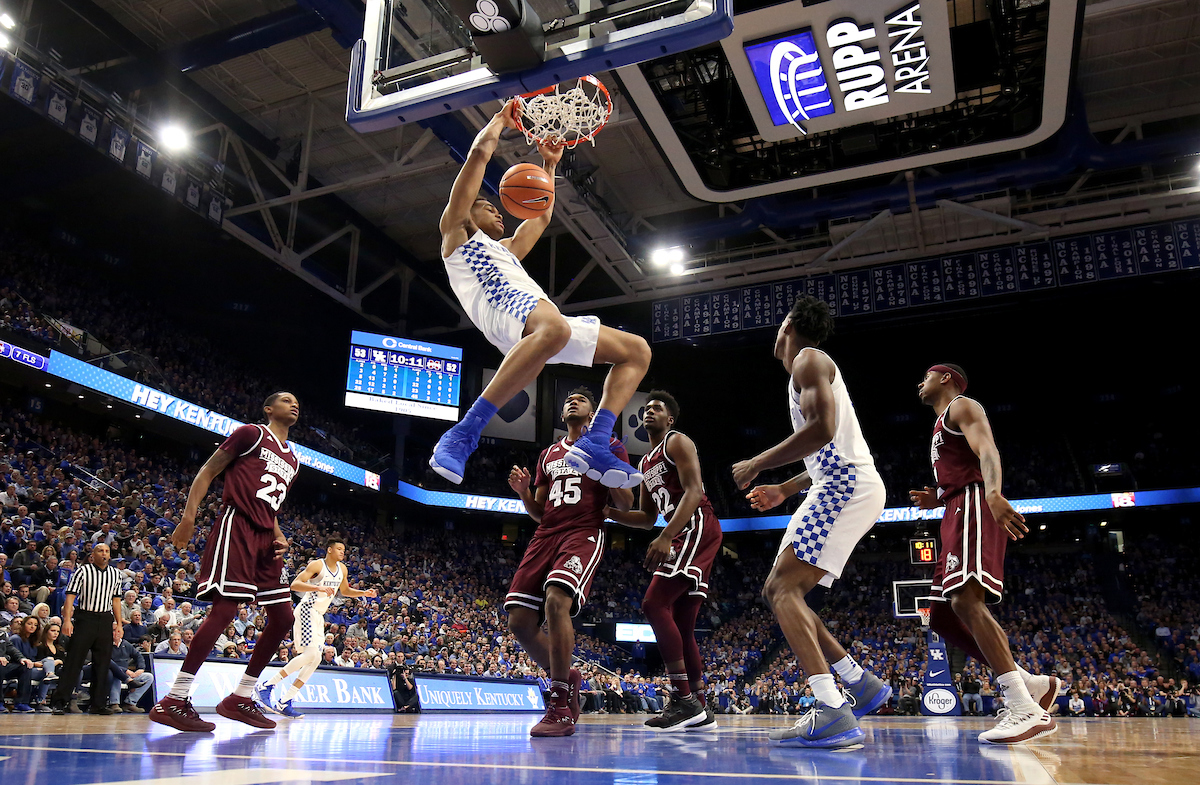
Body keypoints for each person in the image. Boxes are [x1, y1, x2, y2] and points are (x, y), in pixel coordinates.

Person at [429, 99, 650, 491]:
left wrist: (549, 165)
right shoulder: (458, 233)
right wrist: (499, 120)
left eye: (498, 209)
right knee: (553, 327)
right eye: (488, 206)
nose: (498, 212)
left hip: (539, 323)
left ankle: (596, 440)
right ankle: (463, 433)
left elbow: (542, 216)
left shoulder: (507, 250)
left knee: (636, 351)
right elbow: (479, 155)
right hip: (506, 312)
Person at [734, 295, 892, 748]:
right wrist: (785, 489)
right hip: (839, 481)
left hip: (845, 486)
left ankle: (831, 708)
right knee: (784, 592)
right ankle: (857, 682)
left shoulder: (808, 360)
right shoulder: (808, 367)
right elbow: (829, 448)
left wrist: (759, 464)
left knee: (781, 589)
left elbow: (822, 429)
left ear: (787, 325)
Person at [910, 363, 1057, 744]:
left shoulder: (962, 405)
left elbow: (987, 449)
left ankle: (1023, 706)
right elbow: (960, 463)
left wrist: (993, 493)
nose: (919, 381)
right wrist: (938, 494)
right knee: (942, 615)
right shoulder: (940, 422)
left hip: (973, 503)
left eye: (926, 374)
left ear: (946, 378)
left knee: (965, 600)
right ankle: (1028, 681)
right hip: (953, 505)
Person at [150, 393, 302, 732]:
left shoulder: (293, 459)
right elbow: (208, 471)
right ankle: (174, 699)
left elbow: (270, 505)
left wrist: (278, 534)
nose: (294, 405)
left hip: (266, 538)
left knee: (283, 617)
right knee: (225, 611)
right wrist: (188, 518)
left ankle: (241, 697)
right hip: (237, 526)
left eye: (297, 402)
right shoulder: (251, 433)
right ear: (268, 408)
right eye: (287, 400)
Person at [505, 388, 634, 736]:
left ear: (594, 412)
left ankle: (559, 703)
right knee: (518, 620)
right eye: (567, 400)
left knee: (556, 600)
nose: (571, 401)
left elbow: (625, 501)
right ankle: (568, 676)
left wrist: (604, 464)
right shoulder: (548, 454)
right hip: (546, 534)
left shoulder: (610, 443)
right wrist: (523, 493)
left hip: (583, 532)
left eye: (580, 399)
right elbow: (538, 512)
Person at [605, 390, 723, 732]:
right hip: (681, 529)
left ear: (670, 419)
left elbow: (694, 491)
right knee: (683, 624)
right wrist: (609, 512)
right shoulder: (644, 462)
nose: (649, 411)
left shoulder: (676, 441)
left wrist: (667, 535)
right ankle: (700, 707)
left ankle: (681, 698)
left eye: (657, 408)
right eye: (646, 408)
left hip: (695, 524)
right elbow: (645, 518)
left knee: (654, 604)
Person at [257, 536, 377, 718]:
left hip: (318, 615)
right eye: (339, 549)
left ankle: (285, 701)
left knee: (315, 660)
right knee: (312, 654)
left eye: (344, 550)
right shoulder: (317, 565)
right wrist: (318, 588)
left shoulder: (342, 569)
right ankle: (267, 685)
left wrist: (363, 593)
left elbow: (344, 591)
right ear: (329, 550)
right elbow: (295, 584)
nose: (342, 552)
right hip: (307, 609)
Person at [47, 542, 123, 715]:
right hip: (85, 617)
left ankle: (98, 704)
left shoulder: (115, 574)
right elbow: (70, 596)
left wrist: (118, 624)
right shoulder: (83, 570)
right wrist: (67, 620)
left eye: (106, 551)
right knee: (74, 661)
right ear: (92, 555)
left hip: (105, 619)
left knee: (102, 663)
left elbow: (116, 601)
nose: (104, 554)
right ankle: (60, 702)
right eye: (100, 551)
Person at [109, 625, 152, 713]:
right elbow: (108, 662)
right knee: (116, 674)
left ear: (122, 633)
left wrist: (140, 669)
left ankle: (130, 703)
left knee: (148, 677)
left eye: (118, 631)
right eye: (114, 630)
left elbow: (138, 656)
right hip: (112, 673)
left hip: (128, 674)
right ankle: (114, 703)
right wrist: (125, 671)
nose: (116, 633)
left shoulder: (125, 644)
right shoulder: (106, 644)